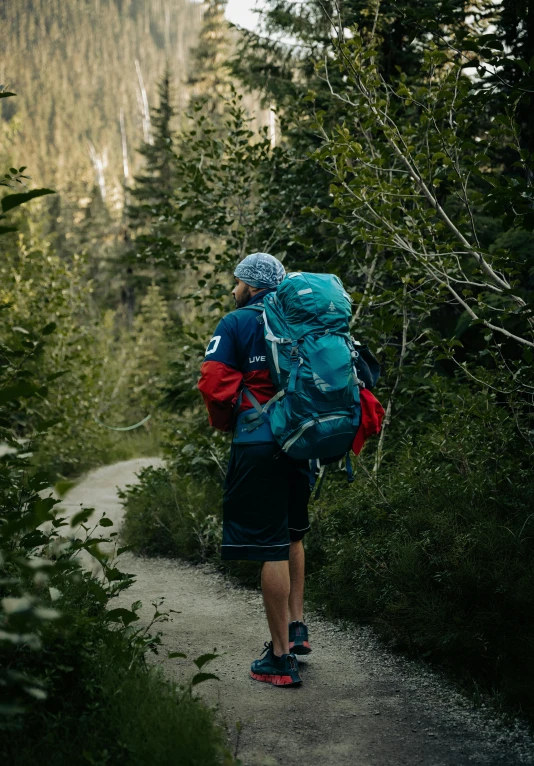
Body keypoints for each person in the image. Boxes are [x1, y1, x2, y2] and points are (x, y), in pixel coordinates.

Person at [198, 252, 311, 687]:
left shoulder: (237, 322)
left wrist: (228, 418)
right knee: (292, 533)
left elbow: (212, 379)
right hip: (303, 441)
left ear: (250, 285)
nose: (232, 289)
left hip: (259, 443)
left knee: (268, 546)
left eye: (237, 281)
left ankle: (280, 659)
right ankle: (296, 628)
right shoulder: (301, 316)